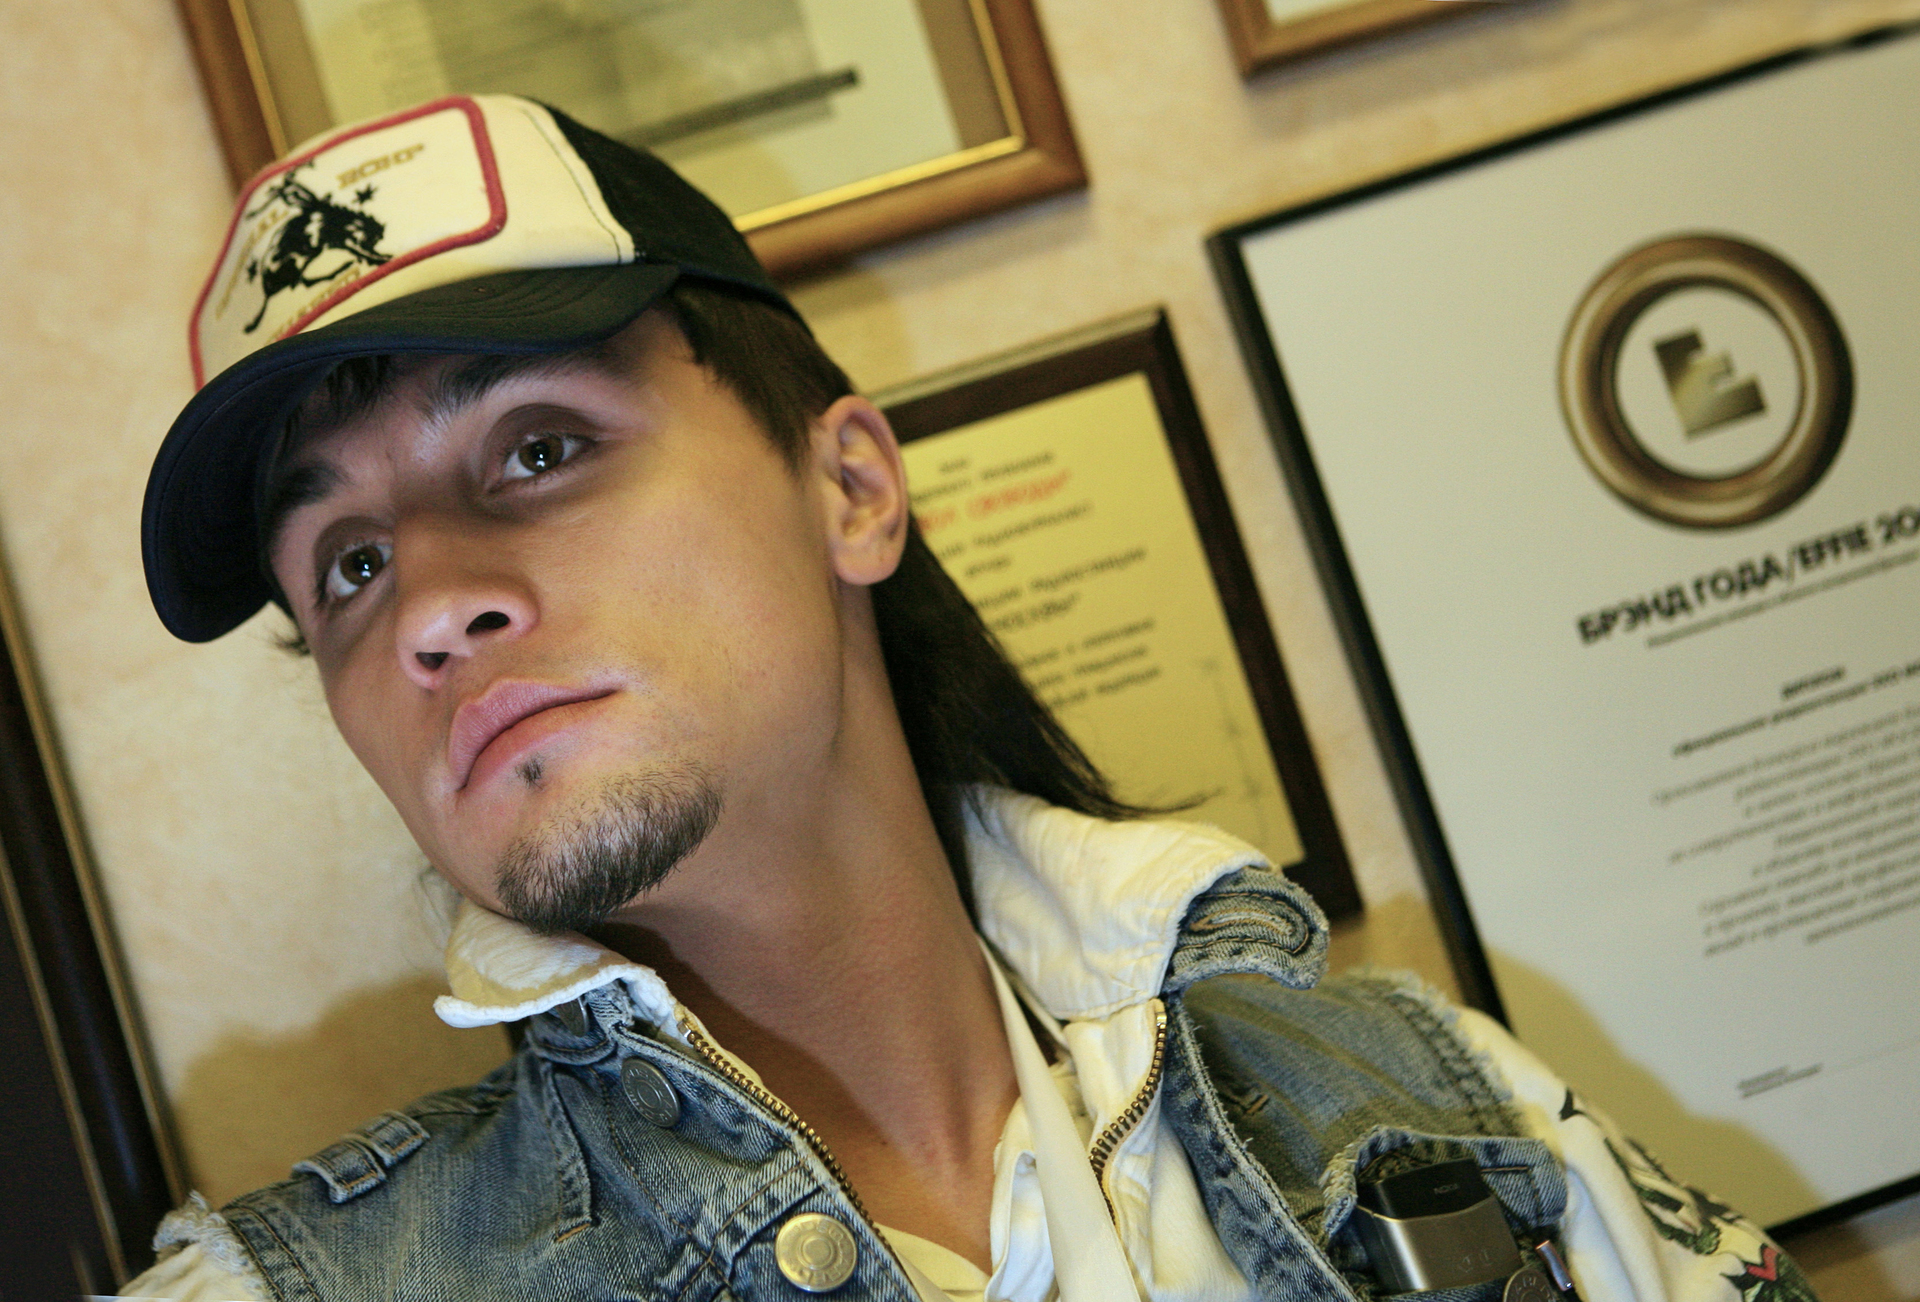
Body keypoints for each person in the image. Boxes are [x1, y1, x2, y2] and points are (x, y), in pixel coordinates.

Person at [122, 94, 1811, 1301]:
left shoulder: (1443, 1110)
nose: (428, 606)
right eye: (346, 563)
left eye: (540, 447)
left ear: (851, 487)